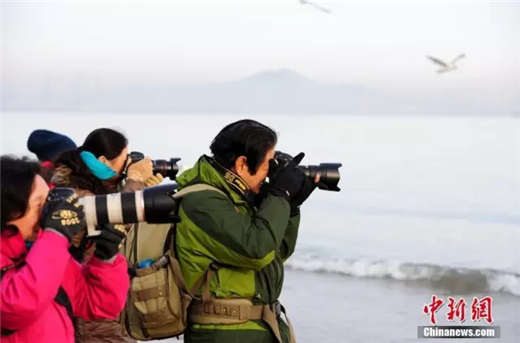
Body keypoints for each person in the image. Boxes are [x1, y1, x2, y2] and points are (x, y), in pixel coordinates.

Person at [175, 119, 318, 343]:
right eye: (269, 164)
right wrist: (280, 194)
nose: (272, 172)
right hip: (224, 333)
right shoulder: (203, 201)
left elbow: (276, 252)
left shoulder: (239, 195)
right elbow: (257, 250)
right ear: (242, 164)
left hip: (260, 328)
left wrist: (290, 208)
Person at [0, 155, 129, 343]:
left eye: (49, 203)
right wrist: (56, 233)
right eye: (39, 205)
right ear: (8, 210)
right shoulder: (47, 250)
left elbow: (97, 303)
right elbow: (16, 307)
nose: (48, 212)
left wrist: (105, 258)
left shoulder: (39, 252)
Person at [50, 128, 160, 343]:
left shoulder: (84, 184)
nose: (127, 164)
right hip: (89, 297)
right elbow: (115, 224)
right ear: (102, 160)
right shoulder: (76, 193)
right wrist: (134, 180)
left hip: (98, 288)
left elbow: (109, 203)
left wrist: (138, 188)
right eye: (124, 159)